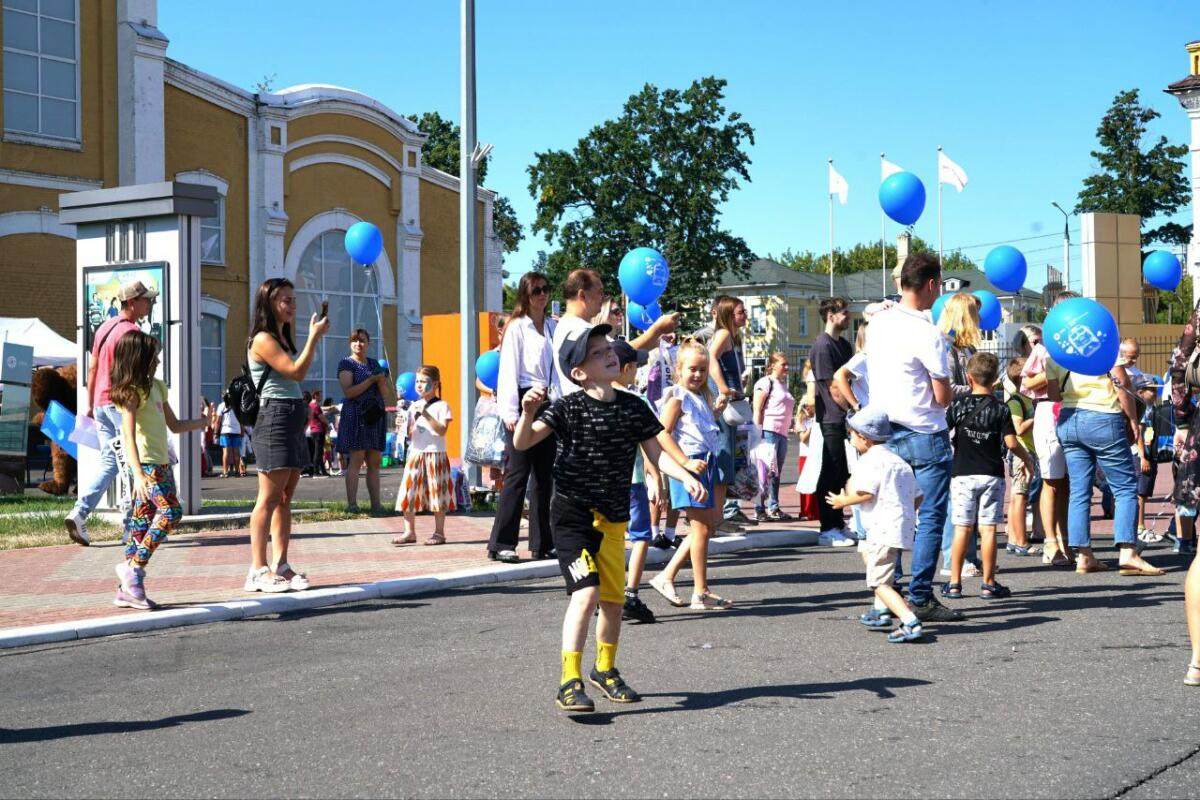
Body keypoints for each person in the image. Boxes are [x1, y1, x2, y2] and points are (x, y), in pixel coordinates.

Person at [513, 323, 707, 713]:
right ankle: (569, 680)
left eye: (608, 348)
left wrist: (684, 473)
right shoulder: (567, 407)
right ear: (579, 373)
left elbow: (656, 454)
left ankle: (604, 670)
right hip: (572, 514)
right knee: (586, 594)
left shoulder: (634, 406)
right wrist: (527, 412)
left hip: (614, 517)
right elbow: (523, 441)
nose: (609, 353)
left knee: (614, 602)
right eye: (597, 352)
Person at [866, 252, 962, 623]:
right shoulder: (927, 333)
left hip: (885, 430)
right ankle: (920, 596)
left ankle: (889, 593)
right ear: (932, 285)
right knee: (931, 516)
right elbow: (941, 397)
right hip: (924, 430)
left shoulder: (877, 324)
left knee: (894, 513)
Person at [1047, 330, 1161, 576]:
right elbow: (1122, 385)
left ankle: (1084, 556)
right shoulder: (1103, 343)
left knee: (1079, 490)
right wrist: (1132, 421)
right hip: (1103, 417)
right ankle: (1128, 552)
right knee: (1125, 487)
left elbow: (1053, 395)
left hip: (1068, 418)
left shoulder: (1055, 350)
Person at [109, 331, 208, 609]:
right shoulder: (131, 392)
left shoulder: (158, 387)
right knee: (171, 511)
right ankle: (134, 569)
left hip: (162, 464)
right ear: (139, 358)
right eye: (154, 355)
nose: (159, 359)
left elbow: (174, 426)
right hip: (146, 467)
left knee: (140, 524)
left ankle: (126, 591)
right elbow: (128, 436)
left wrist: (202, 422)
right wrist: (138, 473)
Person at [243, 278, 329, 593]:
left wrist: (309, 339)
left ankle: (281, 565)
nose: (291, 305)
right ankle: (257, 569)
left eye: (293, 300)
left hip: (291, 416)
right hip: (275, 417)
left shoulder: (280, 336)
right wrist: (314, 338)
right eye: (285, 300)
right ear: (269, 303)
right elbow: (296, 372)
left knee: (284, 498)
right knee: (267, 498)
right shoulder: (264, 338)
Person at [64, 279, 158, 546]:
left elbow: (93, 369)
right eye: (145, 299)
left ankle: (79, 512)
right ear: (132, 302)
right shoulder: (130, 333)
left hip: (102, 403)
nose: (149, 303)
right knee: (130, 463)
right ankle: (131, 528)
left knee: (110, 462)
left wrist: (91, 404)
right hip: (121, 404)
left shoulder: (105, 328)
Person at [825, 407, 925, 644]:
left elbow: (865, 494)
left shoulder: (871, 460)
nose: (850, 439)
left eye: (852, 435)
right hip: (896, 526)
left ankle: (909, 620)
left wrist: (843, 501)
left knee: (878, 581)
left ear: (865, 438)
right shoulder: (898, 461)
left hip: (882, 526)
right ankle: (881, 610)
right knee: (873, 560)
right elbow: (918, 495)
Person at [942, 353, 1035, 600]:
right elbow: (1011, 442)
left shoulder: (958, 405)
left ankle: (953, 583)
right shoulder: (1001, 409)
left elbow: (944, 430)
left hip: (962, 473)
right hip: (991, 474)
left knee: (961, 528)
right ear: (995, 380)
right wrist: (1026, 459)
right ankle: (988, 583)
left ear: (969, 378)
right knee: (989, 529)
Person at [649, 338, 733, 612]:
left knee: (706, 529)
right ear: (679, 369)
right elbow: (662, 432)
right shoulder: (677, 396)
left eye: (702, 369)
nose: (697, 375)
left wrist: (716, 412)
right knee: (700, 530)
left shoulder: (698, 397)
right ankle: (700, 591)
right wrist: (684, 462)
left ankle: (667, 576)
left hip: (702, 465)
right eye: (692, 369)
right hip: (689, 467)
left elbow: (697, 430)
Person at [489, 272, 557, 563]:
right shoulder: (517, 327)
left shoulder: (554, 326)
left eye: (545, 289)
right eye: (536, 291)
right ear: (526, 296)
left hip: (550, 400)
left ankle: (542, 543)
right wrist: (510, 411)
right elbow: (508, 370)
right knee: (517, 473)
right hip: (524, 399)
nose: (542, 295)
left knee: (545, 476)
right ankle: (502, 542)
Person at [611, 341, 659, 624]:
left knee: (611, 537)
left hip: (605, 482)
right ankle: (630, 592)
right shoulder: (637, 402)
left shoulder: (594, 399)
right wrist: (658, 480)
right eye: (636, 367)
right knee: (641, 536)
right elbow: (650, 446)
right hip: (634, 480)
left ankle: (606, 591)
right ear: (627, 369)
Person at [937, 293, 983, 575]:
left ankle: (969, 555)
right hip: (951, 427)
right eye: (975, 314)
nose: (979, 319)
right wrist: (981, 388)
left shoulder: (967, 348)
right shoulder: (946, 347)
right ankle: (951, 558)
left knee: (970, 494)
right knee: (956, 497)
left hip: (968, 427)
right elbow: (948, 390)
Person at [1019, 320, 1072, 567]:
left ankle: (1066, 539)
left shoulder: (1076, 347)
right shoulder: (1043, 349)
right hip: (1047, 409)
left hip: (1073, 408)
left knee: (1067, 483)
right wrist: (1052, 370)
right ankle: (1050, 542)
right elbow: (1026, 383)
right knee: (1051, 479)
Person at [811, 296, 855, 547]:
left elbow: (850, 381)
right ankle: (827, 527)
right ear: (830, 315)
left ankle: (838, 523)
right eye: (844, 312)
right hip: (831, 416)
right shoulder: (823, 345)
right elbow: (833, 387)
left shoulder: (845, 346)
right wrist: (852, 410)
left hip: (844, 417)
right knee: (830, 470)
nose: (848, 316)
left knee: (841, 472)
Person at [394, 366, 455, 545]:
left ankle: (439, 532)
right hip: (416, 453)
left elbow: (441, 430)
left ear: (434, 384)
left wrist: (425, 413)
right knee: (408, 492)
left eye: (423, 381)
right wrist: (402, 425)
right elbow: (411, 433)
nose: (419, 385)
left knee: (437, 493)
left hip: (435, 455)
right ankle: (409, 532)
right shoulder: (413, 405)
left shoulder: (442, 406)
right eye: (417, 382)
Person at [708, 296, 751, 533]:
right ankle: (717, 519)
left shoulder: (733, 336)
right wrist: (723, 387)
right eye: (740, 312)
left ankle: (718, 517)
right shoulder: (724, 334)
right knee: (723, 458)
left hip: (730, 403)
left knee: (728, 458)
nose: (744, 315)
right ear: (727, 314)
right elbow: (711, 357)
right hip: (724, 404)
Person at [337, 329, 391, 515]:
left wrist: (381, 381)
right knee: (357, 459)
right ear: (349, 343)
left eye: (362, 341)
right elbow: (349, 392)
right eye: (355, 341)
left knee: (374, 461)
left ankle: (376, 505)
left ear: (368, 344)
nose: (358, 344)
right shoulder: (346, 363)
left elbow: (385, 394)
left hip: (375, 416)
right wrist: (370, 380)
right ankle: (352, 504)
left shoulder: (375, 363)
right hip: (356, 415)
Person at [1004, 357, 1044, 554]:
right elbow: (1018, 429)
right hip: (1022, 451)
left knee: (1018, 495)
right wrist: (1036, 415)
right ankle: (1020, 541)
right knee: (1020, 495)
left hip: (1029, 450)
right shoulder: (1016, 400)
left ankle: (1014, 538)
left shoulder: (1028, 399)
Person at [752, 352, 795, 522]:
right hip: (768, 431)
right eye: (783, 364)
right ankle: (759, 508)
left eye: (787, 364)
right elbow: (758, 408)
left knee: (775, 473)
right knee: (764, 471)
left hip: (782, 432)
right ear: (772, 365)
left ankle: (774, 507)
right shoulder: (765, 382)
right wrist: (757, 433)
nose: (786, 367)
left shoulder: (782, 384)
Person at [792, 393, 818, 522]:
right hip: (805, 455)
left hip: (816, 453)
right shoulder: (801, 420)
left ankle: (816, 510)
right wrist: (812, 427)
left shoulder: (818, 418)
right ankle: (806, 510)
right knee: (806, 483)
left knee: (817, 483)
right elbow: (803, 438)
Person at [215, 396, 245, 478]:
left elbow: (218, 421)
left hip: (225, 431)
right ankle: (237, 472)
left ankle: (225, 472)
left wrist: (215, 433)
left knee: (226, 452)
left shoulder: (221, 406)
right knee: (236, 452)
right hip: (236, 431)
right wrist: (242, 431)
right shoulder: (238, 406)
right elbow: (242, 420)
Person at [306, 388, 329, 477]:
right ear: (315, 395)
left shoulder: (310, 405)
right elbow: (322, 418)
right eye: (320, 395)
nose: (321, 397)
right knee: (318, 452)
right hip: (318, 430)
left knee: (319, 452)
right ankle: (315, 471)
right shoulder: (315, 406)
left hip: (313, 430)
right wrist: (328, 425)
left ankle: (322, 471)